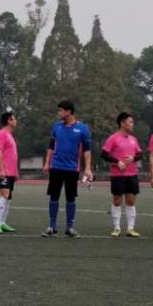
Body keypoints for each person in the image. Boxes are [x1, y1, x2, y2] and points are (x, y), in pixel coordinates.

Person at [41, 100, 93, 238]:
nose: (59, 113)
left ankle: (70, 227)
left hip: (72, 168)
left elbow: (87, 150)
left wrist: (88, 168)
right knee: (53, 196)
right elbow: (51, 146)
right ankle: (52, 226)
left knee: (70, 198)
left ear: (68, 111)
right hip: (56, 166)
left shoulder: (83, 129)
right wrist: (47, 163)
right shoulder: (56, 126)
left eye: (61, 110)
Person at [101, 112, 142, 238]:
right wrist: (117, 162)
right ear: (122, 123)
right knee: (117, 201)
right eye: (130, 122)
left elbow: (140, 154)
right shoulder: (113, 138)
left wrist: (133, 158)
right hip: (118, 175)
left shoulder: (133, 139)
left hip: (132, 174)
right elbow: (104, 154)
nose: (132, 124)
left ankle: (130, 228)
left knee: (131, 200)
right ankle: (117, 228)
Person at [0, 111, 19, 234]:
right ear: (9, 121)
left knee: (9, 197)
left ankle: (3, 223)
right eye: (14, 119)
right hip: (4, 171)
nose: (15, 120)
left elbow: (12, 155)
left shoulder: (9, 135)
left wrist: (16, 172)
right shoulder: (1, 134)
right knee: (5, 195)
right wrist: (1, 169)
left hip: (11, 171)